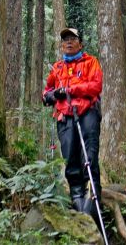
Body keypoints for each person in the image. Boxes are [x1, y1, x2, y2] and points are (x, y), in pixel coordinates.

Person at [42, 26, 103, 224]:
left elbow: (95, 86)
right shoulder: (57, 68)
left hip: (87, 112)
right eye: (65, 39)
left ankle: (93, 196)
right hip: (64, 116)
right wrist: (51, 96)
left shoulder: (90, 62)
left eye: (72, 39)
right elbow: (47, 91)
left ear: (80, 43)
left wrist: (69, 89)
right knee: (69, 156)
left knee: (89, 154)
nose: (68, 42)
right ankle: (76, 196)